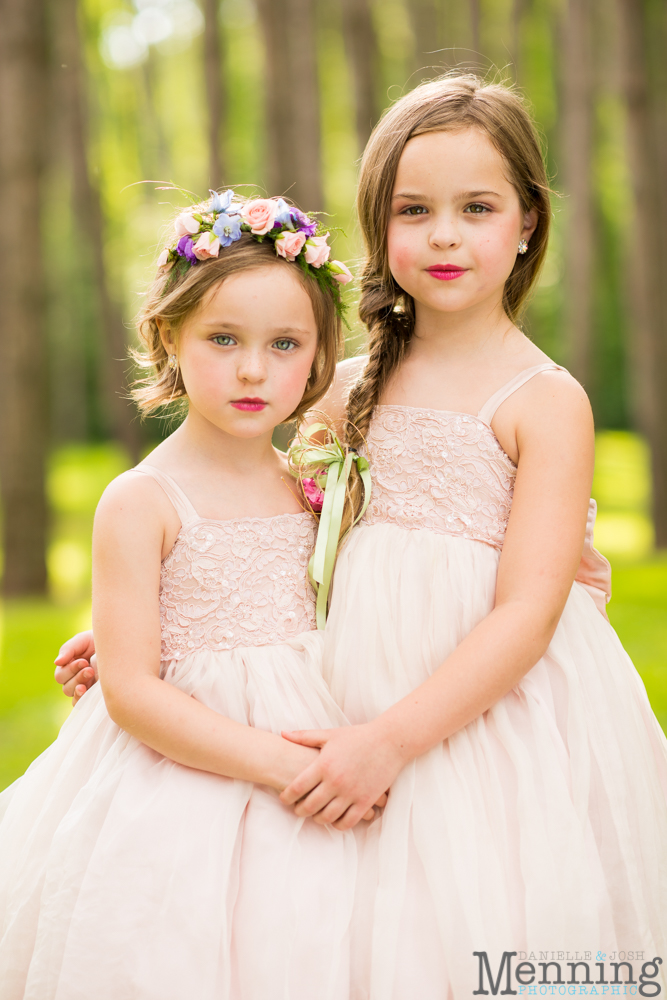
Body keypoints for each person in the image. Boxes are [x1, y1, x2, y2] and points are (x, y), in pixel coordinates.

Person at [55, 76, 667, 997]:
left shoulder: (545, 401)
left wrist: (388, 741)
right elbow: (272, 527)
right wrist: (161, 625)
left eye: (477, 207)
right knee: (358, 934)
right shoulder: (340, 387)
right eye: (412, 209)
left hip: (475, 711)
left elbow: (527, 615)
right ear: (378, 224)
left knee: (480, 917)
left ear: (528, 222)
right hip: (345, 690)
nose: (445, 235)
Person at [0, 191, 370, 1000]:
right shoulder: (142, 501)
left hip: (322, 744)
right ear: (169, 335)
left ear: (317, 356)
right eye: (223, 339)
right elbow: (132, 692)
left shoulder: (313, 477)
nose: (251, 369)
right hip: (191, 780)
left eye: (283, 345)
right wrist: (279, 766)